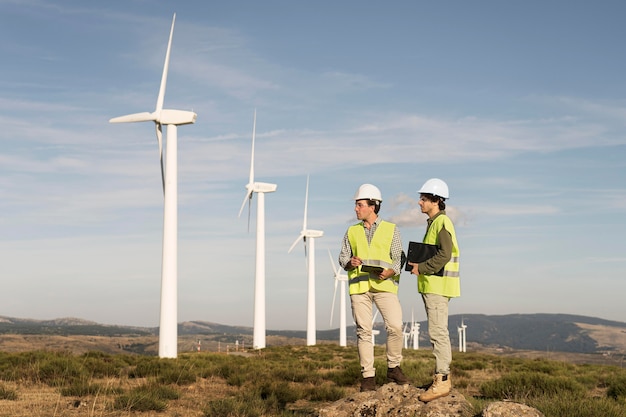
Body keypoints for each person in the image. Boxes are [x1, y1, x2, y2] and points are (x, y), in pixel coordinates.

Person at [339, 183, 409, 392]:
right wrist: (349, 262)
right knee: (364, 331)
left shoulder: (391, 229)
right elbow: (342, 257)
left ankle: (393, 366)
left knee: (396, 326)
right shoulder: (351, 231)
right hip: (359, 287)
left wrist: (391, 271)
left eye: (359, 204)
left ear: (372, 206)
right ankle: (368, 377)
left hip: (384, 284)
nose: (356, 208)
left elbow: (399, 258)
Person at [408, 178, 460, 402]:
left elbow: (445, 254)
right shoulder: (433, 223)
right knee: (437, 332)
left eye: (424, 199)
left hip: (438, 287)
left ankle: (443, 381)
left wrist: (422, 267)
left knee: (438, 333)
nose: (419, 202)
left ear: (436, 200)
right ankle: (441, 377)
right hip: (432, 286)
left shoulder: (441, 223)